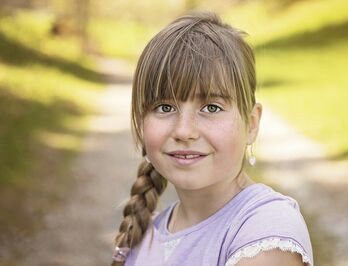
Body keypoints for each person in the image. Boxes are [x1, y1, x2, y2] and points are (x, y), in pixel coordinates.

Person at [111, 11, 313, 266]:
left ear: (251, 124)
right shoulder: (146, 235)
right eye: (164, 107)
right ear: (141, 123)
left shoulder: (264, 228)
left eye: (212, 108)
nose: (184, 131)